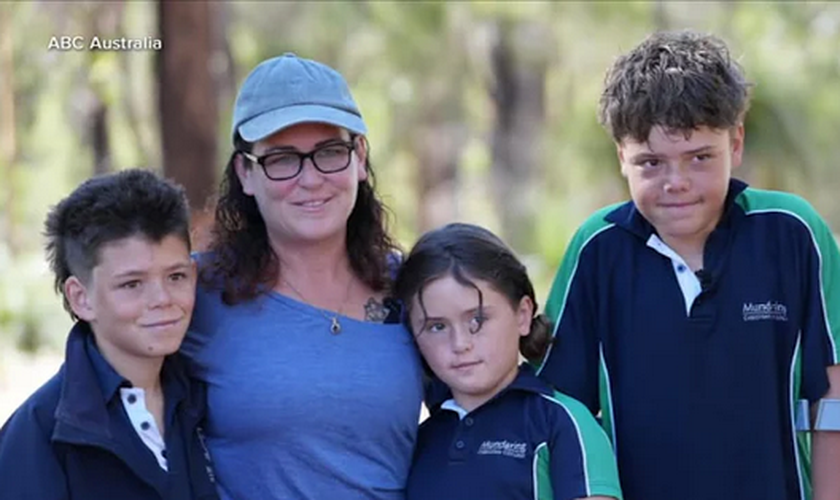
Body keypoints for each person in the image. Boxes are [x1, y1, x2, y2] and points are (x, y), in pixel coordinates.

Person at [536, 30, 840, 500]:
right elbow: (558, 411)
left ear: (735, 142)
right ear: (622, 157)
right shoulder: (597, 250)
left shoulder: (793, 233)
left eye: (699, 157)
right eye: (651, 162)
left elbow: (833, 397)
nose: (676, 183)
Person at [181, 53, 424, 499]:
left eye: (330, 153)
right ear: (246, 174)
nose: (310, 180)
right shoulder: (194, 293)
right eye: (282, 159)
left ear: (360, 159)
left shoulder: (413, 289)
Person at [0, 169, 218, 500]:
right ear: (80, 298)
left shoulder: (207, 398)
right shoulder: (40, 434)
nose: (162, 299)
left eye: (176, 276)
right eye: (132, 284)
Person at [393, 223, 623, 500]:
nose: (460, 344)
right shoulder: (416, 438)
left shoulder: (561, 422)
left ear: (522, 315)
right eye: (437, 326)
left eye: (477, 320)